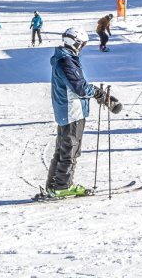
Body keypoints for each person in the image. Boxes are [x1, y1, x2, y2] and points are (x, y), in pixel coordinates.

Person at [45, 27, 110, 198]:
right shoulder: (66, 61)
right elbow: (80, 88)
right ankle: (62, 186)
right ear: (75, 43)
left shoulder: (64, 58)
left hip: (66, 109)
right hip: (72, 110)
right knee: (71, 148)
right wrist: (96, 92)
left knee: (62, 148)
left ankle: (53, 185)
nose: (82, 47)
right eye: (82, 44)